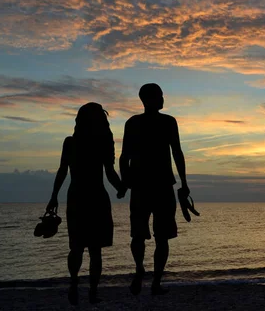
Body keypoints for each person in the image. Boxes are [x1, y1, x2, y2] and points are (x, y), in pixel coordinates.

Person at [46, 102, 126, 305]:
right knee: (93, 250)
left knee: (77, 247)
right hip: (95, 197)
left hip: (78, 197)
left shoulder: (71, 142)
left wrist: (54, 195)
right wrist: (121, 188)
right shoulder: (102, 142)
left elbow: (63, 171)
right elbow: (109, 173)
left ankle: (76, 285)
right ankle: (90, 291)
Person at [120, 83, 189, 295]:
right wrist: (184, 183)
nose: (163, 99)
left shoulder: (133, 123)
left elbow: (124, 157)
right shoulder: (168, 122)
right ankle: (155, 282)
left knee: (139, 236)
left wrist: (126, 182)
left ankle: (141, 270)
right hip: (161, 187)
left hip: (141, 187)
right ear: (149, 99)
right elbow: (177, 152)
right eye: (160, 95)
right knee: (162, 237)